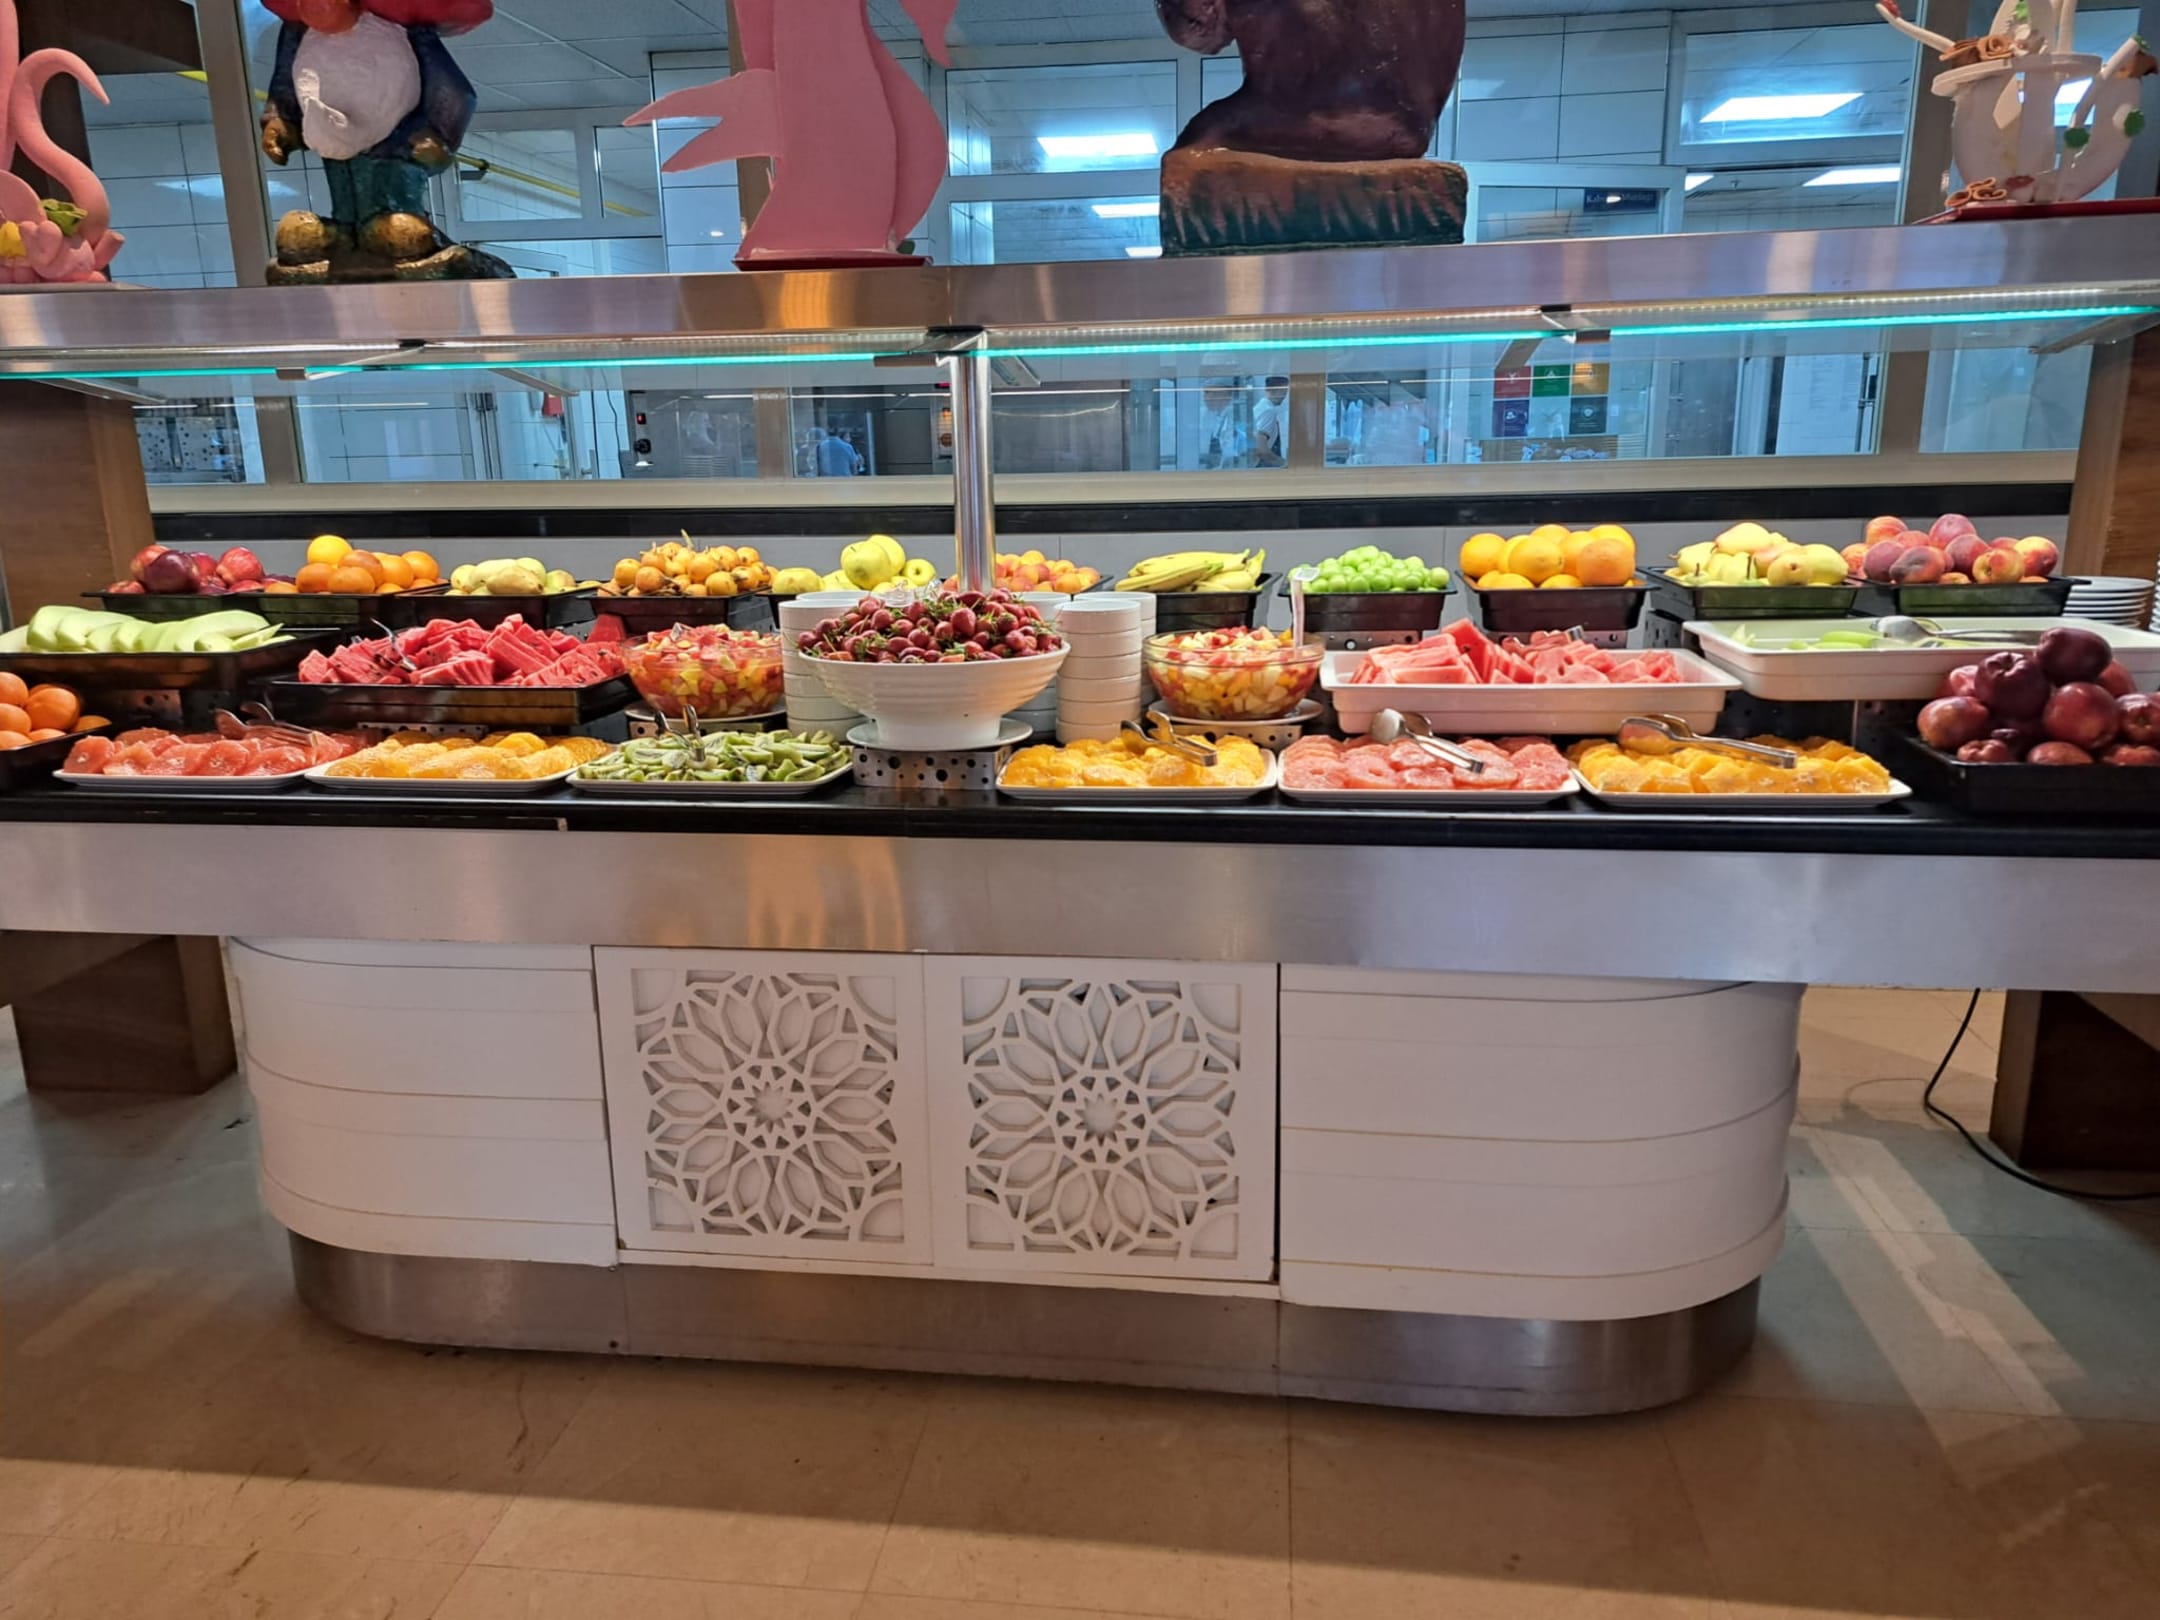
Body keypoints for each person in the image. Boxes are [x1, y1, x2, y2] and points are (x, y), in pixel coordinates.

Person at [1252, 375, 1290, 467]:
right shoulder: (1268, 411)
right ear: (1272, 390)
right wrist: (1285, 464)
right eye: (1283, 391)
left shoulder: (1259, 407)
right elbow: (1262, 450)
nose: (1284, 396)